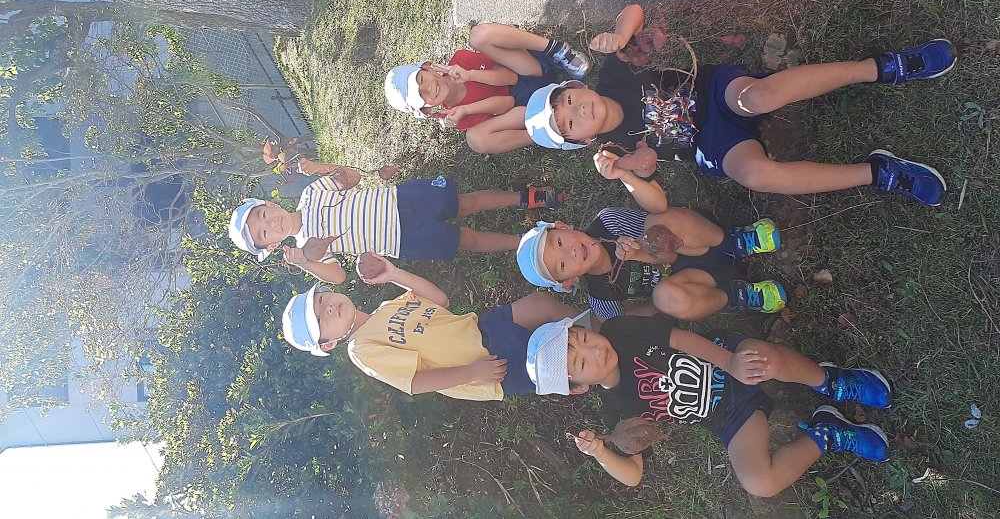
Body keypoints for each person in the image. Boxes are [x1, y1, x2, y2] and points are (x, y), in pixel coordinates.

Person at [523, 4, 955, 206]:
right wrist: (629, 173)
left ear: (575, 85)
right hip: (710, 144)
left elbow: (633, 11)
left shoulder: (611, 76)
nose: (578, 111)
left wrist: (621, 34)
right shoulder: (612, 152)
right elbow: (656, 200)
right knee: (757, 176)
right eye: (569, 124)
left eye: (569, 100)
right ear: (582, 142)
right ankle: (879, 172)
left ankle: (882, 67)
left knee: (758, 96)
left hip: (713, 90)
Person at [526, 310, 893, 494]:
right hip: (728, 415)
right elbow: (633, 475)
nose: (595, 351)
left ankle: (830, 380)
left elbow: (681, 339)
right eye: (581, 363)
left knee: (763, 361)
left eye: (584, 339)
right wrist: (601, 454)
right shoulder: (617, 412)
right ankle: (828, 433)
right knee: (759, 483)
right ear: (579, 387)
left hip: (722, 357)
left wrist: (731, 362)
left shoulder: (619, 331)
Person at [517, 153, 784, 319]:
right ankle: (738, 295)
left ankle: (735, 242)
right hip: (698, 284)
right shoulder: (602, 297)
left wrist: (639, 250)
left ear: (563, 226)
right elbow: (625, 321)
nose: (572, 252)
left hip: (695, 243)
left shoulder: (608, 222)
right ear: (569, 282)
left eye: (560, 242)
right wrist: (658, 305)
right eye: (563, 265)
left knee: (660, 224)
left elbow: (663, 232)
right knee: (664, 297)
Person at [282, 253, 581, 400]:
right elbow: (414, 382)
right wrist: (472, 373)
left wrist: (394, 273)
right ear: (328, 343)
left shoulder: (385, 308)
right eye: (320, 320)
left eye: (321, 300)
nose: (328, 308)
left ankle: (598, 321)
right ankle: (595, 369)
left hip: (482, 328)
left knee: (542, 304)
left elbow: (439, 299)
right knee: (566, 358)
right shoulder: (360, 350)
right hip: (486, 363)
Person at [228, 166, 566, 281]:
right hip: (403, 240)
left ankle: (525, 197)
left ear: (270, 204)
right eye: (264, 233)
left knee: (465, 203)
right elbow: (339, 276)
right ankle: (528, 242)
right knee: (467, 239)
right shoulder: (308, 251)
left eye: (263, 215)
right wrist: (304, 263)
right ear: (272, 245)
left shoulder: (311, 193)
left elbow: (352, 178)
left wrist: (323, 169)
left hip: (402, 199)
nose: (271, 223)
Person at [384, 24, 590, 153]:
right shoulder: (456, 116)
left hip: (528, 72)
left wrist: (470, 75)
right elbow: (506, 103)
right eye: (422, 95)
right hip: (528, 107)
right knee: (475, 139)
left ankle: (557, 51)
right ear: (428, 109)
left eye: (421, 79)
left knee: (479, 35)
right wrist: (466, 110)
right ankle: (549, 134)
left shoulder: (459, 61)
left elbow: (510, 77)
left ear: (428, 67)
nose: (428, 88)